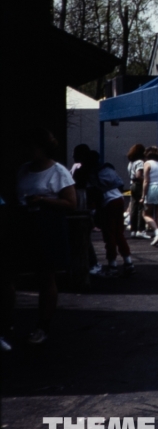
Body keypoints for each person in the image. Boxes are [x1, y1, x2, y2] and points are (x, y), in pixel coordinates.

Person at [15, 129, 77, 344]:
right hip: (25, 224)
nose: (28, 151)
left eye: (32, 147)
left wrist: (43, 200)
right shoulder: (24, 169)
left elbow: (71, 203)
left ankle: (43, 325)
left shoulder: (58, 171)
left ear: (42, 148)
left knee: (46, 276)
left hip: (48, 225)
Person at [141, 146, 158, 246]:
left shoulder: (147, 163)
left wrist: (143, 196)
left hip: (152, 188)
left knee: (146, 214)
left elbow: (146, 181)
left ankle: (157, 231)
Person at [126, 144, 148, 239]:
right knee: (141, 207)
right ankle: (140, 229)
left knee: (134, 207)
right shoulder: (140, 162)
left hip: (132, 184)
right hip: (139, 184)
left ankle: (133, 230)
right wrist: (146, 181)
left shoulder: (131, 163)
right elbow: (139, 175)